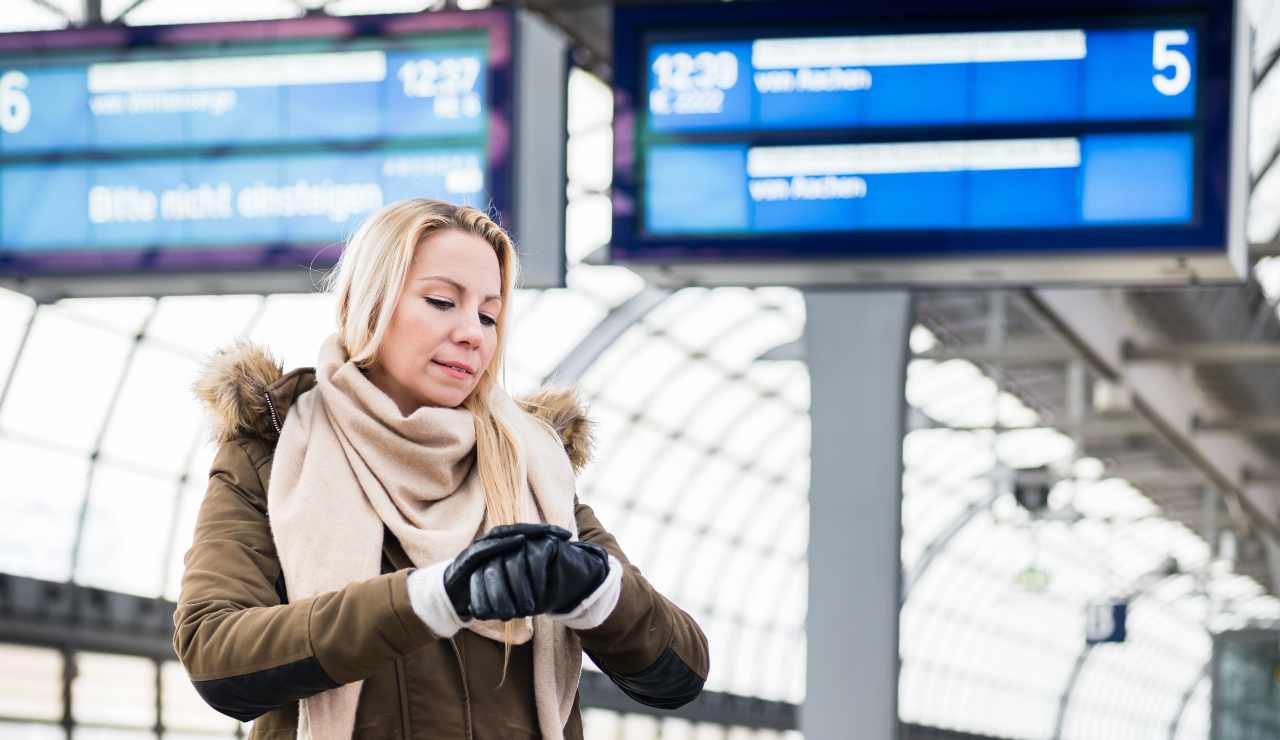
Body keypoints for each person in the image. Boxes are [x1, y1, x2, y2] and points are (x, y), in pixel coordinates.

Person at [176, 198, 709, 739]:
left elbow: (680, 672)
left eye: (488, 315)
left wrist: (594, 586)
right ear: (367, 304)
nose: (472, 333)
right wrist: (435, 597)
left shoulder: (532, 466)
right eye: (441, 301)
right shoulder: (274, 453)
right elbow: (217, 653)